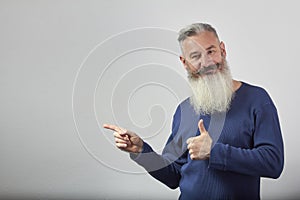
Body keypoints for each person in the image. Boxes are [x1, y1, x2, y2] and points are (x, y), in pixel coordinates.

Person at [103, 23, 284, 200]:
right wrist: (141, 151)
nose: (206, 62)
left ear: (223, 50)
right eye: (195, 56)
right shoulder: (184, 110)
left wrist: (214, 151)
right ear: (185, 62)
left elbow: (273, 163)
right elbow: (173, 176)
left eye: (211, 51)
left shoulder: (257, 99)